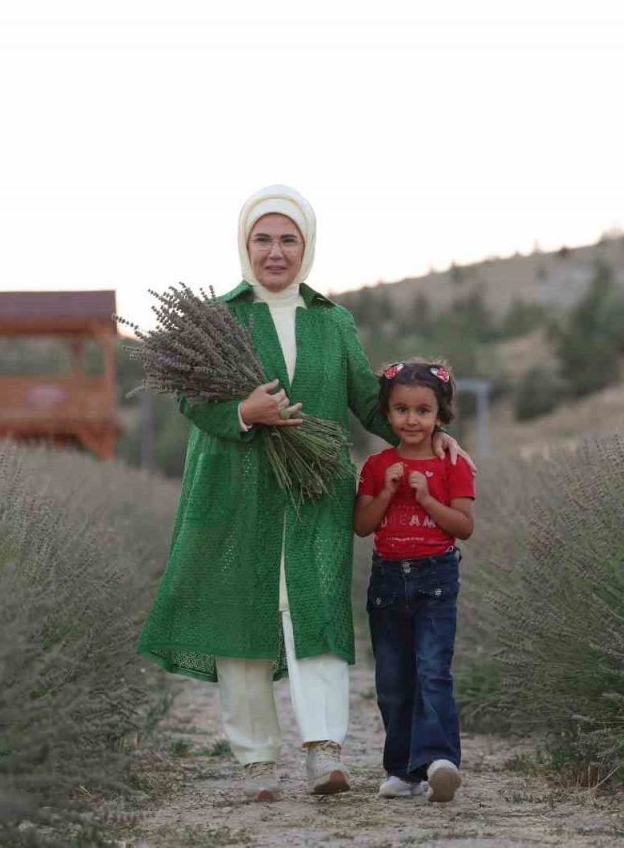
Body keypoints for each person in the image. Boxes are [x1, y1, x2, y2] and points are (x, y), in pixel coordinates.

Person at [137, 185, 474, 802]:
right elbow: (191, 400)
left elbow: (372, 402)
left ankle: (325, 752)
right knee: (244, 614)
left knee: (315, 612)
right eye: (263, 238)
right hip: (235, 489)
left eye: (288, 238)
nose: (275, 251)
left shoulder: (332, 321)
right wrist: (244, 410)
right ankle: (257, 759)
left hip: (316, 490)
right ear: (245, 244)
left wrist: (434, 434)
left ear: (307, 245)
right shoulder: (215, 318)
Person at [354, 360, 474, 803]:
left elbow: (463, 526)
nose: (411, 419)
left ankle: (441, 762)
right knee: (392, 679)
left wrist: (425, 497)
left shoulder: (452, 463)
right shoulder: (375, 465)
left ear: (440, 416)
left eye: (422, 411)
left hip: (436, 579)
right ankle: (403, 771)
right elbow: (363, 525)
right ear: (387, 413)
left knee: (432, 672)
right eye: (401, 409)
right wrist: (386, 492)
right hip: (387, 582)